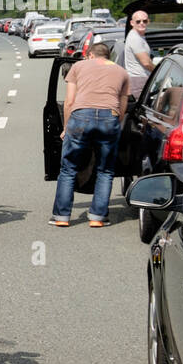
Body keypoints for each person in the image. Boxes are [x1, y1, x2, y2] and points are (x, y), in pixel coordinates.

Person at [49, 38, 130, 228]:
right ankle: (97, 217)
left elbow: (69, 101)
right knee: (106, 170)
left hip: (81, 116)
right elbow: (123, 104)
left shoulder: (78, 66)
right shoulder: (122, 72)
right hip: (110, 116)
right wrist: (115, 125)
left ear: (90, 55)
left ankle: (62, 217)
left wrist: (66, 128)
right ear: (108, 56)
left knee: (68, 169)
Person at [122, 9, 154, 97]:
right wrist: (158, 72)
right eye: (138, 21)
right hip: (138, 80)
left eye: (144, 21)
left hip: (140, 79)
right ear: (132, 23)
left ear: (148, 21)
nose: (141, 23)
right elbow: (146, 63)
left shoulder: (139, 36)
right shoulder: (135, 38)